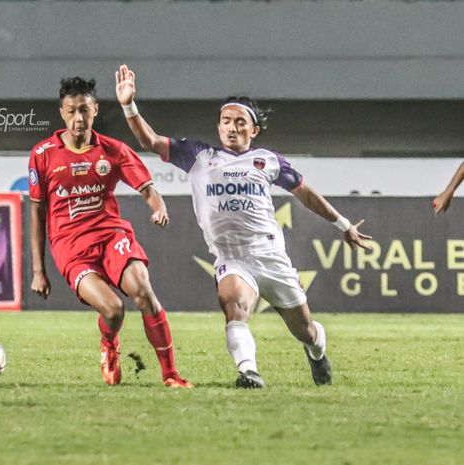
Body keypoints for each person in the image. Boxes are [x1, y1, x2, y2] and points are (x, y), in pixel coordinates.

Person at [115, 64, 371, 388]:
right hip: (231, 257)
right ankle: (249, 372)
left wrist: (343, 224)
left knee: (305, 330)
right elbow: (149, 140)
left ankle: (316, 352)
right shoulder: (198, 156)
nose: (231, 128)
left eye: (240, 122)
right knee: (234, 307)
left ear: (254, 131)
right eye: (226, 121)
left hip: (270, 254)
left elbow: (305, 193)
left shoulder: (267, 160)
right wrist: (128, 105)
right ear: (218, 126)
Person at [29, 77, 192, 388]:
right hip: (71, 248)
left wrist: (158, 207)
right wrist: (39, 270)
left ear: (95, 110)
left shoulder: (113, 151)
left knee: (143, 292)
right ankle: (109, 345)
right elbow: (36, 212)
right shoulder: (43, 154)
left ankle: (171, 376)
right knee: (114, 310)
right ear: (62, 113)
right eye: (72, 111)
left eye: (85, 110)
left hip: (111, 236)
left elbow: (149, 189)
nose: (79, 118)